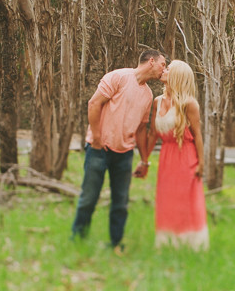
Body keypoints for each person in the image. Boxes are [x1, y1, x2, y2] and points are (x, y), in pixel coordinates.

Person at [71, 49, 167, 251]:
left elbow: (142, 129)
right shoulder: (118, 77)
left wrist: (144, 160)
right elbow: (94, 104)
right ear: (151, 61)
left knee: (120, 203)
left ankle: (115, 243)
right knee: (89, 198)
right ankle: (77, 239)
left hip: (124, 154)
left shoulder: (148, 95)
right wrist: (96, 138)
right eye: (163, 65)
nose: (164, 70)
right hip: (99, 149)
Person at [148, 59, 209, 250]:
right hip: (167, 157)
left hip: (186, 156)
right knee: (167, 199)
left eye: (169, 69)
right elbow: (152, 134)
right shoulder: (157, 101)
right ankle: (168, 243)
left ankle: (191, 244)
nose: (164, 70)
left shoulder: (189, 104)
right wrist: (144, 159)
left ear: (178, 75)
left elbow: (198, 135)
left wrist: (201, 163)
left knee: (186, 200)